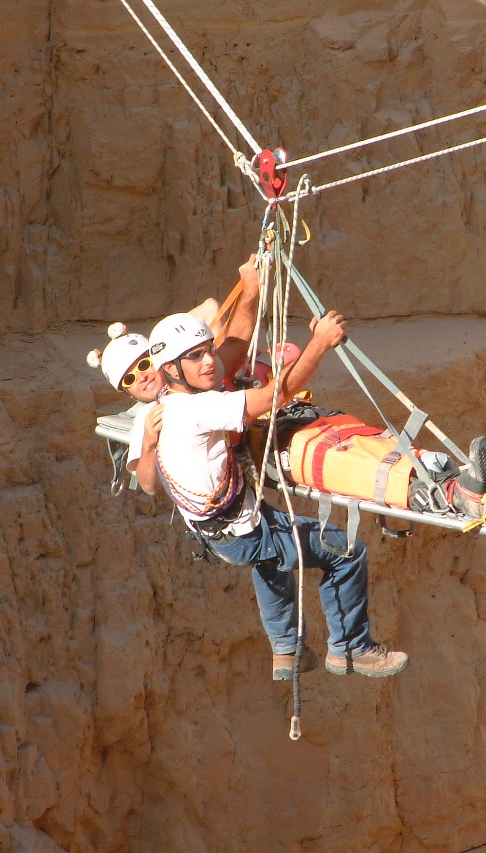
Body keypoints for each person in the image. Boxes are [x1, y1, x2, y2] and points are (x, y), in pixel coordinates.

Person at [148, 310, 410, 681]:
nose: (209, 361)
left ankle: (287, 651)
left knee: (271, 559)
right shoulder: (199, 408)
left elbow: (235, 346)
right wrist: (320, 342)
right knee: (347, 552)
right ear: (171, 369)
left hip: (221, 532)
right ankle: (350, 649)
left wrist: (251, 288)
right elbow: (275, 396)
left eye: (208, 350)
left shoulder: (162, 405)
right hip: (244, 532)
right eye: (195, 356)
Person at [86, 256, 261, 493]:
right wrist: (149, 443)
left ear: (162, 361)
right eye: (129, 379)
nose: (142, 377)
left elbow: (227, 331)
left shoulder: (197, 374)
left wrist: (250, 287)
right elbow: (149, 486)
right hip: (216, 503)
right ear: (129, 394)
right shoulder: (148, 418)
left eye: (144, 364)